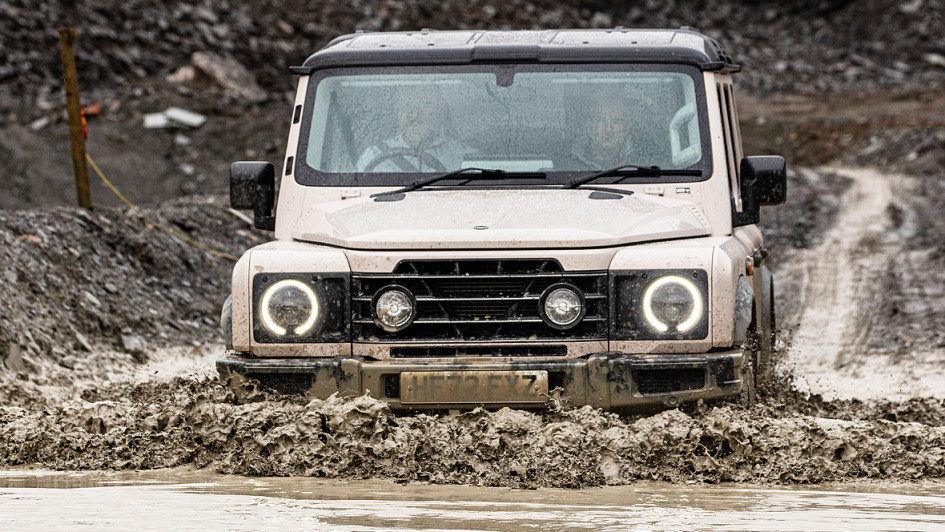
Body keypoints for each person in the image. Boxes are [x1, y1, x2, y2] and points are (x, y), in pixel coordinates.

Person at [355, 89, 472, 172]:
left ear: (438, 112)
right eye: (406, 105)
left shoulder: (462, 155)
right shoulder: (373, 155)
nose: (414, 115)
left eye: (424, 104)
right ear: (398, 112)